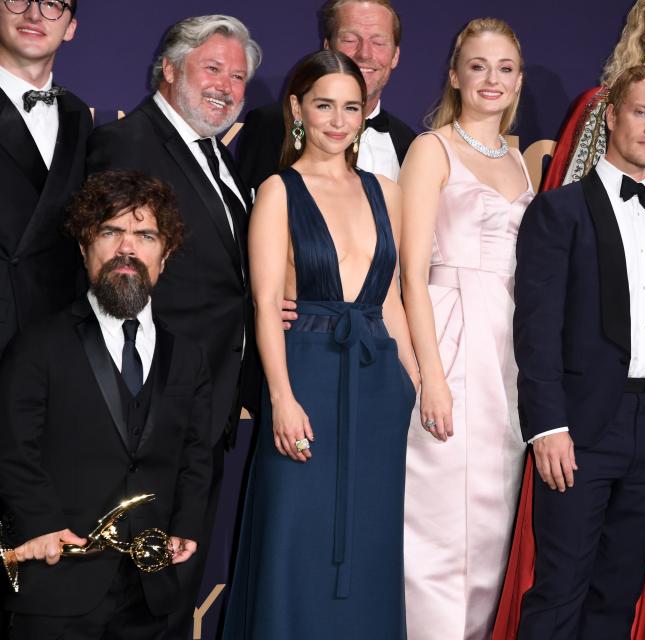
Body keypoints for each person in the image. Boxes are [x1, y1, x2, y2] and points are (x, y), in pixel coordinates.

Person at [495, 2, 645, 637]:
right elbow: (536, 328)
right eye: (641, 113)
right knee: (558, 593)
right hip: (582, 429)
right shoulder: (559, 212)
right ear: (611, 116)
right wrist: (547, 426)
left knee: (617, 597)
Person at [221, 49, 417, 639]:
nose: (338, 120)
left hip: (378, 385)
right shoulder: (278, 190)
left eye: (351, 107)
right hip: (306, 376)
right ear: (297, 109)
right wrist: (280, 396)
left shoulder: (387, 190)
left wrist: (416, 383)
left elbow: (390, 301)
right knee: (295, 534)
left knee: (370, 539)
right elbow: (264, 304)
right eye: (324, 105)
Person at [84, 15, 262, 637]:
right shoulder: (128, 146)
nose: (226, 85)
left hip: (204, 403)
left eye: (237, 76)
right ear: (169, 68)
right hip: (144, 407)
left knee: (170, 587)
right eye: (212, 68)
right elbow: (107, 280)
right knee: (128, 590)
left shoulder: (217, 157)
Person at [0, 169, 212, 640]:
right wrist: (43, 525)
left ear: (166, 254)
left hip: (153, 595)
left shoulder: (189, 355)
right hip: (60, 583)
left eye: (145, 235)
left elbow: (197, 454)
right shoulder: (38, 345)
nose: (127, 249)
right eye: (110, 232)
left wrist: (187, 524)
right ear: (83, 248)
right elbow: (13, 448)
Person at [399, 17, 531, 640]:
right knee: (439, 520)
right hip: (448, 332)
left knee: (491, 519)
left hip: (507, 344)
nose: (491, 79)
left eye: (504, 68)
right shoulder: (432, 147)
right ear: (454, 74)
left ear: (519, 80)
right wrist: (430, 376)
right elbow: (410, 270)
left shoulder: (520, 161)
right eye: (478, 66)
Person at [237, 0, 415, 192]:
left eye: (378, 42)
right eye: (350, 40)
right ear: (327, 47)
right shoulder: (270, 125)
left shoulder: (408, 143)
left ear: (395, 56)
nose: (364, 53)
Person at [0, 0, 90, 358]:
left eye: (53, 4)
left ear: (70, 28)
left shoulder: (78, 115)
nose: (35, 15)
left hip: (53, 339)